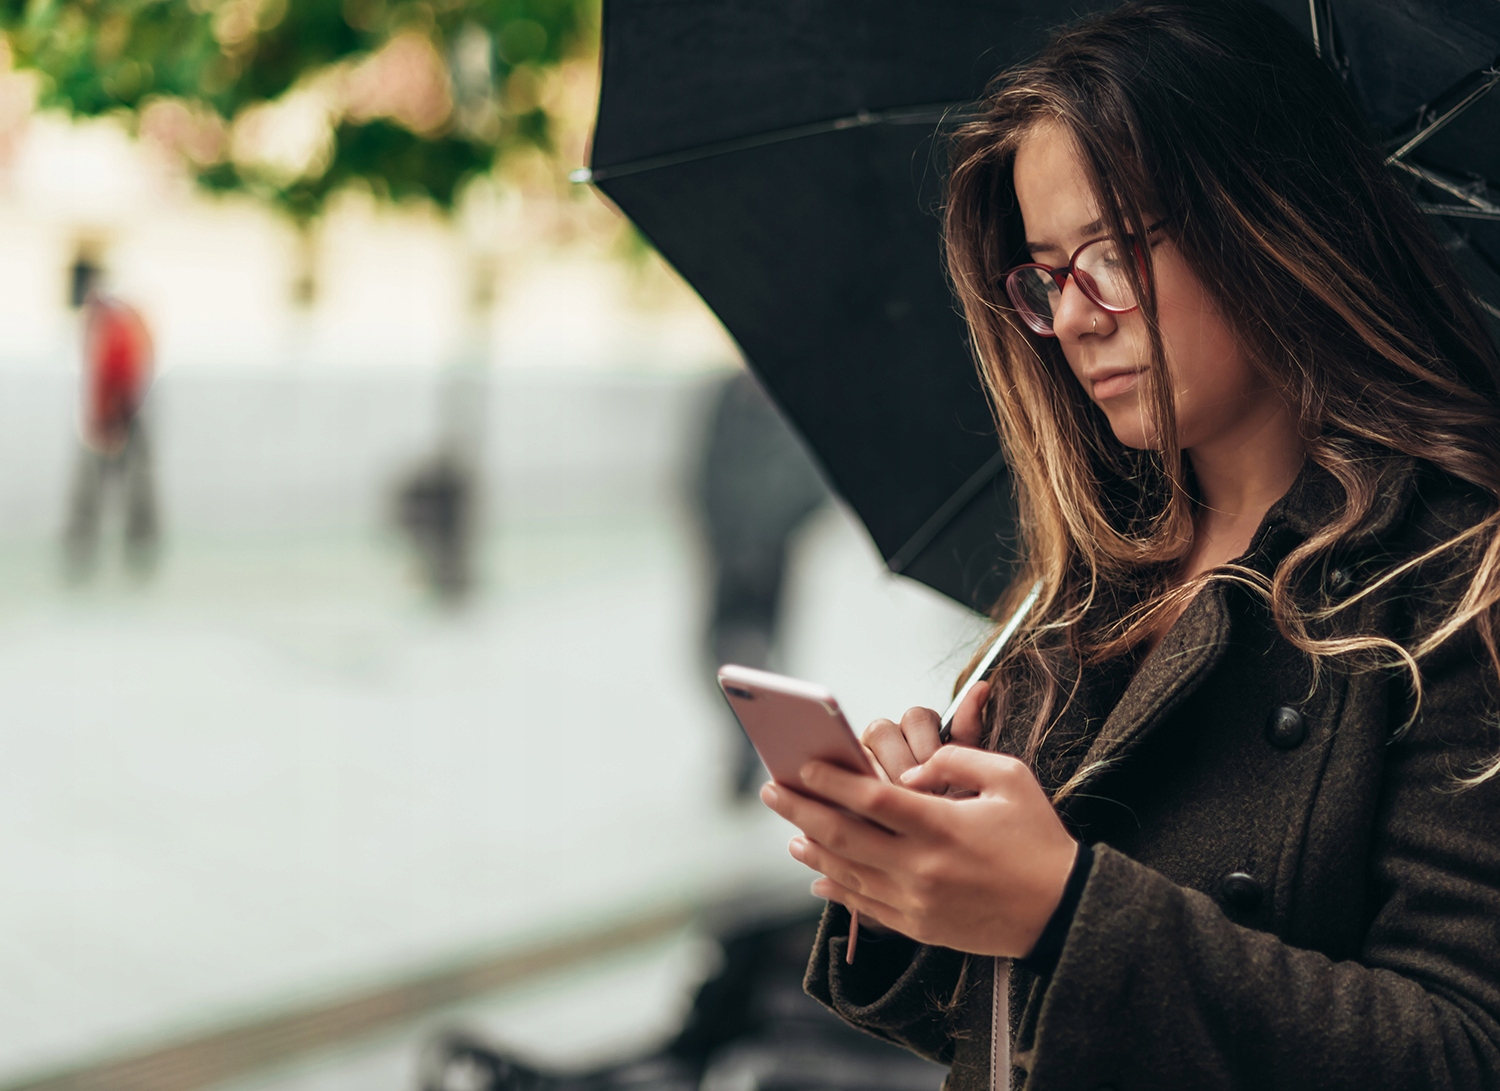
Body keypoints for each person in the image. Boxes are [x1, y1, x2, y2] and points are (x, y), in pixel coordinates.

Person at [759, 4, 1500, 1089]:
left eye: (1110, 251)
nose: (1074, 318)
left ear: (1267, 222)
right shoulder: (1089, 581)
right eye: (1047, 275)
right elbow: (1010, 1027)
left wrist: (1062, 909)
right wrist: (920, 865)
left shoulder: (1455, 577)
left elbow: (1462, 1053)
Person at [694, 370, 829, 798]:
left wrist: (769, 536)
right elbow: (702, 471)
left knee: (756, 654)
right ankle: (748, 739)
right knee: (711, 650)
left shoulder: (794, 408)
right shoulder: (726, 396)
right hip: (725, 551)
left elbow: (812, 488)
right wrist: (718, 536)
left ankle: (757, 744)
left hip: (770, 559)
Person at [63, 260, 160, 580]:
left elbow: (118, 368)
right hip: (121, 409)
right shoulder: (116, 315)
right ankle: (135, 539)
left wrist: (110, 418)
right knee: (126, 480)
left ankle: (117, 540)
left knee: (104, 479)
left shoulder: (111, 318)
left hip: (121, 411)